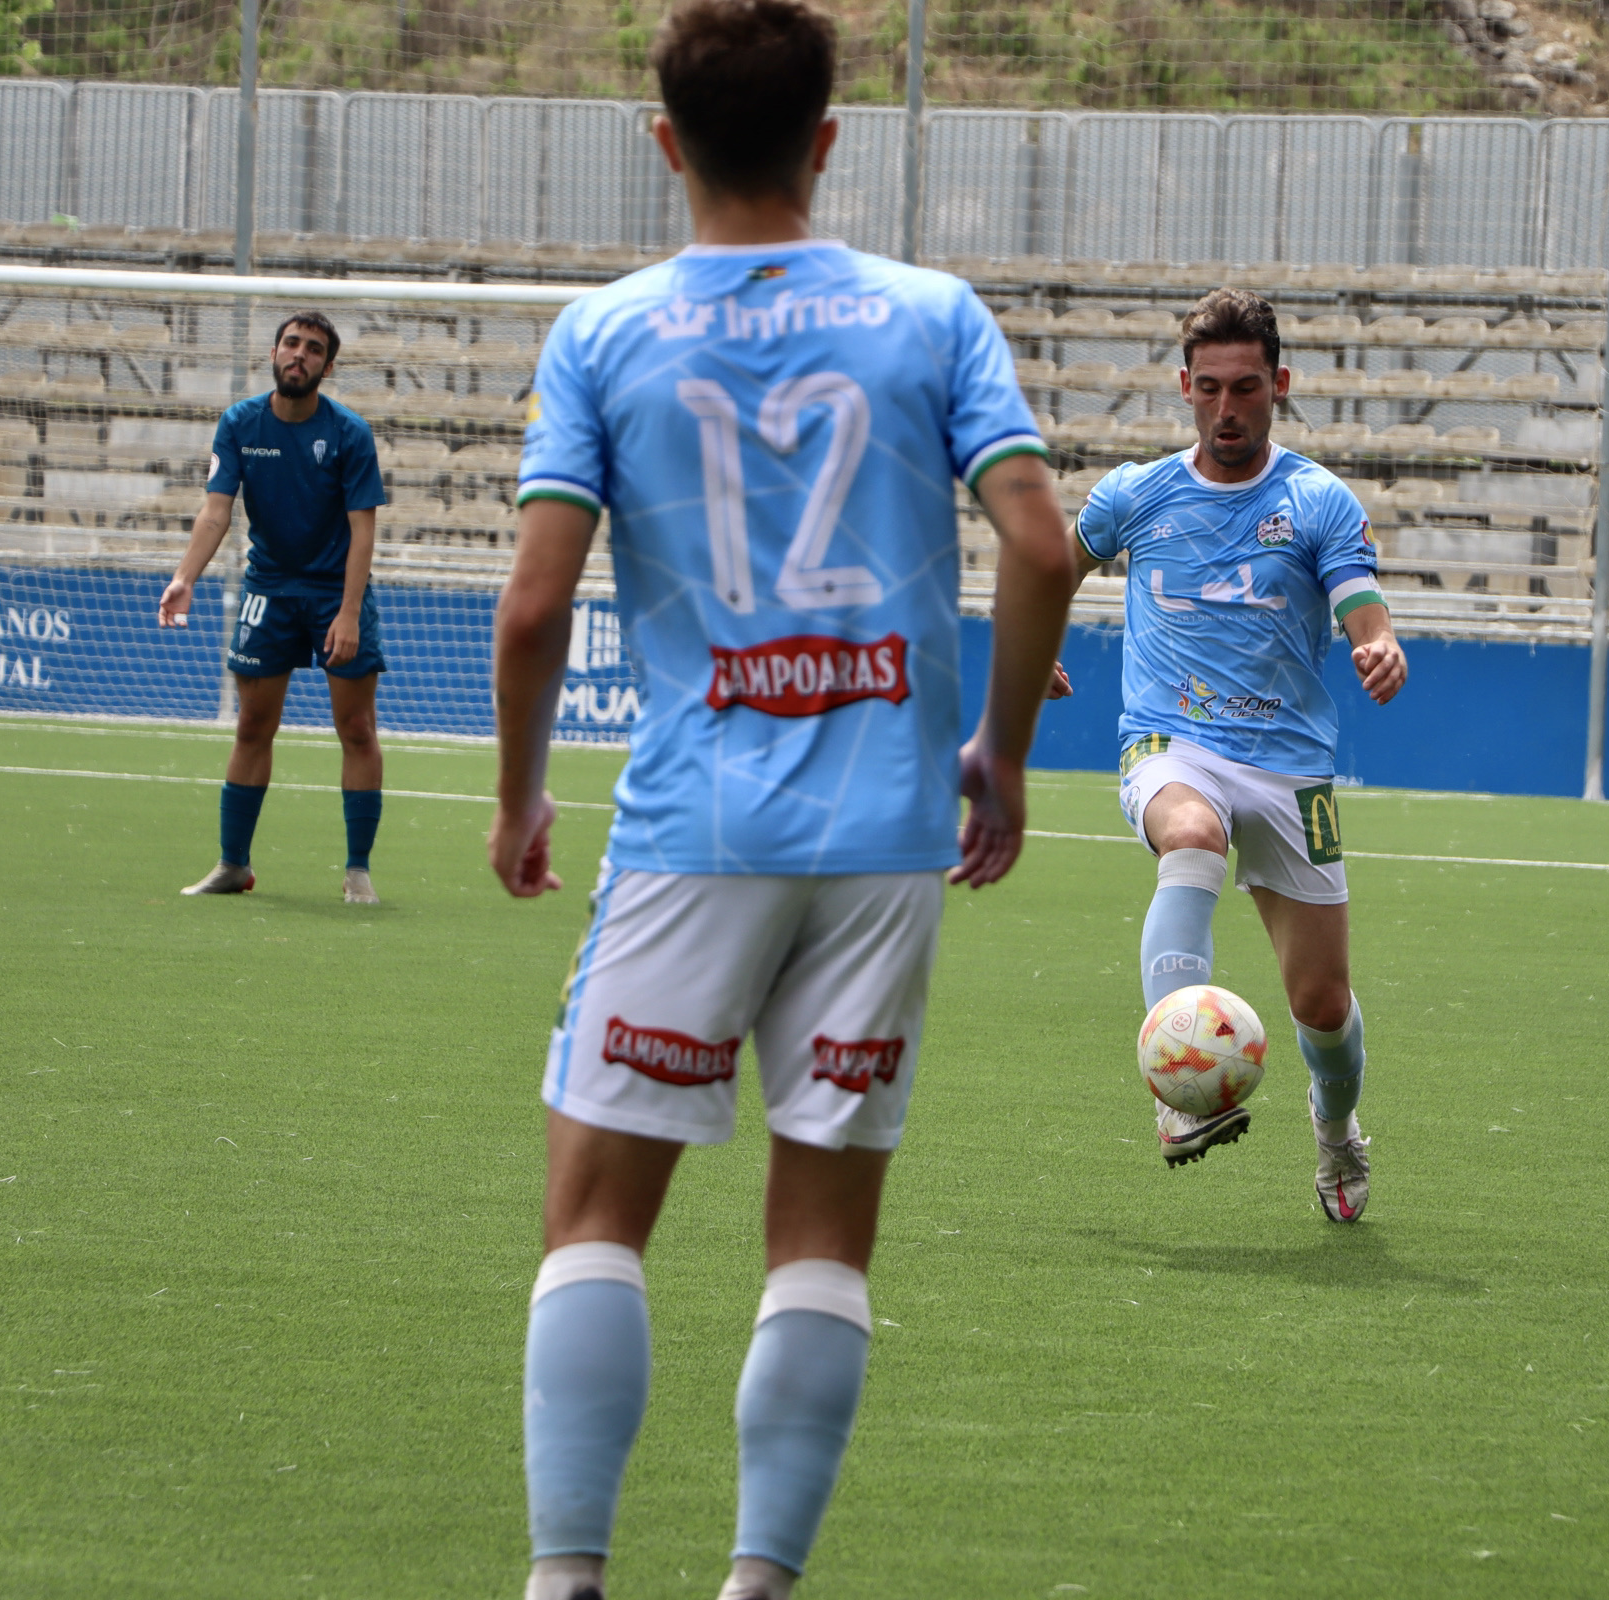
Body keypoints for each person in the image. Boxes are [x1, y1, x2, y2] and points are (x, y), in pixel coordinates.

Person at [482, 2, 1074, 1596]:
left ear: (664, 142)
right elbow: (1040, 546)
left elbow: (532, 612)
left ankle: (566, 1579)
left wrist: (521, 797)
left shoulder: (602, 335)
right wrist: (998, 754)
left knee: (596, 1216)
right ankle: (758, 1582)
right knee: (819, 1237)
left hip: (696, 831)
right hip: (883, 842)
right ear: (828, 140)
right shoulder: (934, 316)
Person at [1054, 287, 1407, 1221]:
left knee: (1323, 1005)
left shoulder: (1315, 500)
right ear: (1183, 387)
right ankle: (1176, 1088)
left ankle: (1336, 1134)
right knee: (1192, 834)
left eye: (1245, 387)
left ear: (1278, 385)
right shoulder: (1136, 494)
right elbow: (1058, 564)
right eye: (1207, 388)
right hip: (1172, 745)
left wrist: (1380, 644)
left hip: (1291, 765)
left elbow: (1361, 607)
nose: (1225, 409)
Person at [161, 310, 388, 904]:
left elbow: (362, 531)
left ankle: (358, 870)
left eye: (314, 349)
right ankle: (233, 864)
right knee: (252, 725)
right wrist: (186, 577)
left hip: (336, 595)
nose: (300, 354)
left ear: (327, 366)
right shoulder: (240, 423)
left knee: (357, 728)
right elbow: (216, 511)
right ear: (273, 353)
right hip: (268, 590)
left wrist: (347, 611)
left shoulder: (349, 433)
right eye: (291, 343)